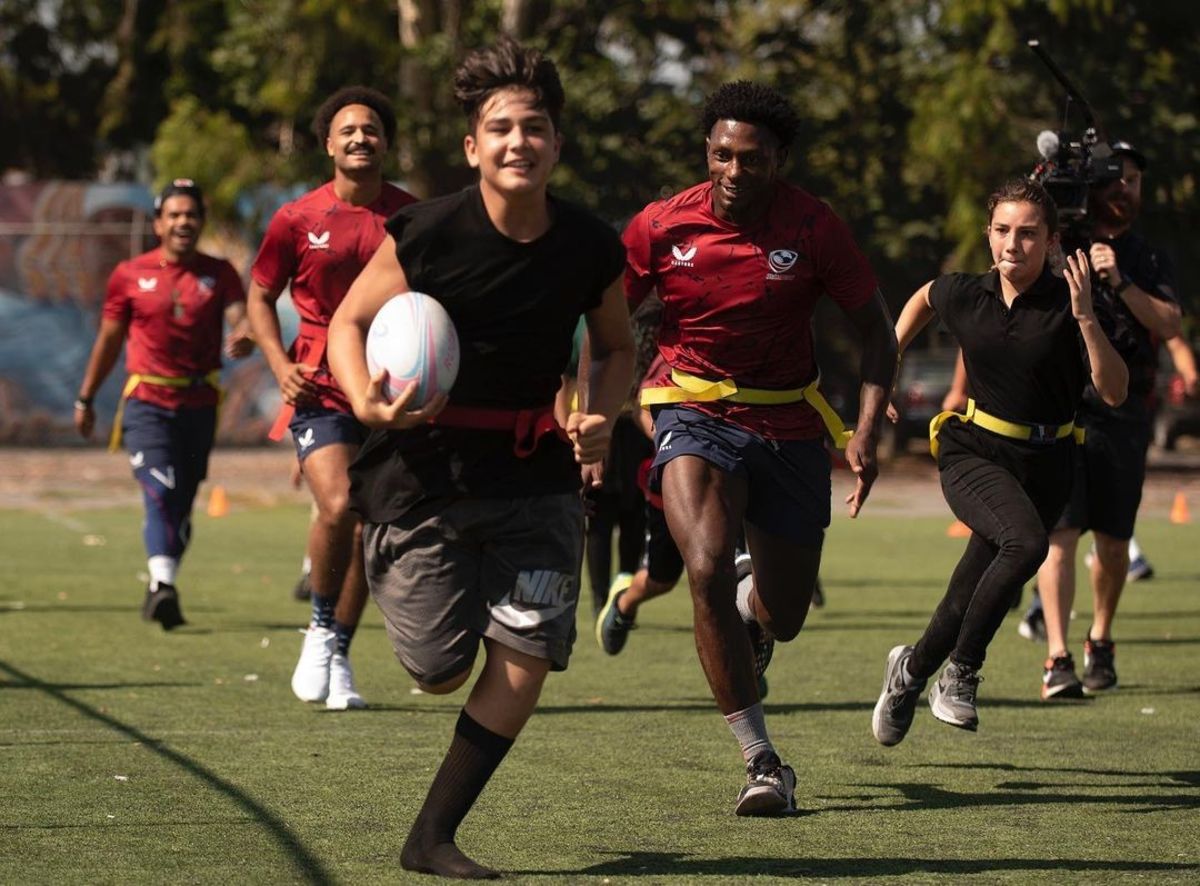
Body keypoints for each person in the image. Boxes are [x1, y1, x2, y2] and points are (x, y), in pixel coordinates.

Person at [326, 38, 633, 879]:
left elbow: (613, 347)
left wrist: (601, 414)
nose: (517, 142)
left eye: (534, 128)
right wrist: (363, 400)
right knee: (436, 670)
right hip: (422, 473)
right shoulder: (427, 232)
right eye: (500, 128)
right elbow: (348, 325)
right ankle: (393, 578)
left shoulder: (589, 245)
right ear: (473, 146)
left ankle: (431, 837)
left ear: (556, 144)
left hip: (536, 475)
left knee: (526, 656)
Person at [623, 81, 897, 816]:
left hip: (788, 426)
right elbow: (605, 321)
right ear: (705, 154)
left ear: (780, 160)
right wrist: (586, 407)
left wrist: (866, 427)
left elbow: (876, 330)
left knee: (784, 613)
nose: (735, 172)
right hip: (691, 409)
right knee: (704, 565)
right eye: (722, 155)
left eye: (753, 159)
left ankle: (753, 607)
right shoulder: (659, 226)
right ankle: (763, 761)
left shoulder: (815, 227)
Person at [871, 178, 1127, 746]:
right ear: (989, 235)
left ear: (1052, 242)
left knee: (970, 590)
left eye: (1029, 233)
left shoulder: (1070, 303)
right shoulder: (967, 293)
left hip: (1049, 462)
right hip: (974, 450)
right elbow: (922, 298)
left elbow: (1114, 392)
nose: (1014, 244)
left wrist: (1087, 318)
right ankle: (959, 676)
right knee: (1027, 545)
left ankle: (910, 672)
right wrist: (886, 364)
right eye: (1003, 231)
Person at [247, 86, 417, 711]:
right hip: (319, 384)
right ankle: (319, 626)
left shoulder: (411, 217)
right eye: (347, 130)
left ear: (385, 143)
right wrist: (276, 362)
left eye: (370, 129)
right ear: (328, 144)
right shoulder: (296, 217)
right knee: (340, 504)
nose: (359, 138)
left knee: (372, 524)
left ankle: (340, 651)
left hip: (391, 387)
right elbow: (261, 296)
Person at [1032, 141, 1181, 699]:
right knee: (1060, 535)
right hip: (1065, 407)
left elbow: (1167, 323)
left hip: (1125, 413)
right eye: (1112, 177)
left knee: (1115, 542)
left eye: (1134, 179)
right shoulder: (1059, 243)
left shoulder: (1148, 256)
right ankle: (1057, 657)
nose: (1123, 187)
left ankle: (1100, 638)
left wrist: (1118, 280)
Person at [74, 179, 254, 628]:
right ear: (158, 223)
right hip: (147, 402)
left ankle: (162, 580)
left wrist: (245, 333)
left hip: (199, 404)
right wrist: (86, 397)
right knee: (159, 489)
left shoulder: (220, 273)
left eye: (190, 215)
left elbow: (240, 316)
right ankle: (163, 584)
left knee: (183, 501)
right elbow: (110, 340)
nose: (182, 222)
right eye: (173, 215)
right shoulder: (129, 275)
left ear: (201, 223)